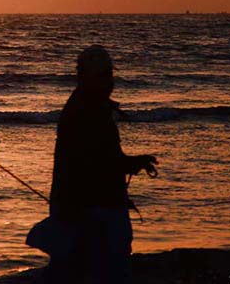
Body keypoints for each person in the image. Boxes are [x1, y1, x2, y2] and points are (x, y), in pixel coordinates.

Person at [45, 45, 158, 283]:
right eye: (102, 75)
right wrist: (131, 163)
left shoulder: (91, 107)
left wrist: (130, 163)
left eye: (109, 75)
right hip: (91, 214)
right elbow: (95, 163)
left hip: (87, 211)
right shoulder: (85, 112)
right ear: (84, 77)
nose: (108, 82)